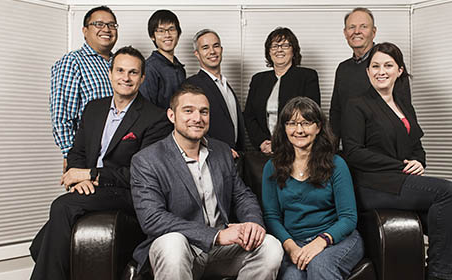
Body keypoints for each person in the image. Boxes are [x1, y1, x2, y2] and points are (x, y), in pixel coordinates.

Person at [30, 46, 172, 280]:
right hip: (91, 190)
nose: (125, 78)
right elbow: (77, 152)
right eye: (120, 70)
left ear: (142, 78)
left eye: (133, 73)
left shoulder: (155, 118)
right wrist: (79, 179)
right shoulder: (93, 108)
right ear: (110, 73)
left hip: (126, 193)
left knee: (61, 207)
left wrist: (91, 175)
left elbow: (140, 175)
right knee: (41, 246)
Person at [130, 83, 283, 280]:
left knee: (270, 246)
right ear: (171, 115)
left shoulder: (221, 151)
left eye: (204, 112)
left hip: (223, 251)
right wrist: (215, 236)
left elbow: (242, 195)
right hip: (182, 249)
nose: (197, 118)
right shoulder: (147, 160)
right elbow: (153, 219)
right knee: (172, 242)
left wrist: (253, 224)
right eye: (188, 111)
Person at [340, 42, 452, 280]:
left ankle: (430, 274)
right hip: (374, 186)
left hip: (401, 182)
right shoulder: (357, 104)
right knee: (449, 192)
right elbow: (354, 152)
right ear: (367, 72)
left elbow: (416, 146)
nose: (381, 71)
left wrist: (419, 162)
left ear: (399, 70)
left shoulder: (404, 105)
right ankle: (439, 278)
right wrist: (400, 166)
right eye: (375, 66)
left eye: (388, 65)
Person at [262, 97, 364, 279]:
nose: (299, 130)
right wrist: (291, 247)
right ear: (284, 129)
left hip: (336, 239)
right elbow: (272, 217)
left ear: (318, 128)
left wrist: (320, 242)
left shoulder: (336, 164)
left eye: (306, 123)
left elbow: (348, 218)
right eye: (292, 123)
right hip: (295, 241)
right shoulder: (272, 167)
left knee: (319, 266)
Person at [50, 6, 119, 169]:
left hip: (119, 154)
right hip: (88, 154)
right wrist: (72, 156)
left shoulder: (120, 63)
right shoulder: (73, 62)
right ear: (85, 30)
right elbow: (62, 115)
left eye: (111, 25)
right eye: (99, 24)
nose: (107, 29)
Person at [329, 7, 411, 144]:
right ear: (345, 33)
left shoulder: (388, 63)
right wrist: (332, 150)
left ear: (373, 32)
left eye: (363, 27)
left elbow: (404, 108)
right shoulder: (343, 69)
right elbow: (336, 112)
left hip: (383, 147)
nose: (356, 32)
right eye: (351, 27)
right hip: (351, 148)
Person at [244, 27, 321, 155]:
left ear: (293, 50)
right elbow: (249, 116)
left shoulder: (307, 77)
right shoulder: (258, 79)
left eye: (285, 45)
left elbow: (310, 116)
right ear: (269, 51)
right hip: (264, 150)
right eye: (274, 46)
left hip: (296, 149)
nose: (279, 49)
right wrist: (262, 142)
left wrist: (280, 145)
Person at [186, 29, 245, 158]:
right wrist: (219, 149)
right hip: (212, 156)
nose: (212, 51)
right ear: (197, 54)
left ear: (221, 49)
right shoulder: (192, 85)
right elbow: (191, 125)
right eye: (205, 47)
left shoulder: (226, 85)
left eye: (216, 46)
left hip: (236, 157)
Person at [139, 9, 186, 109]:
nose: (167, 35)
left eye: (172, 29)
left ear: (178, 33)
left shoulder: (180, 69)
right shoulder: (149, 68)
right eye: (161, 31)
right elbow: (146, 109)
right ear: (153, 36)